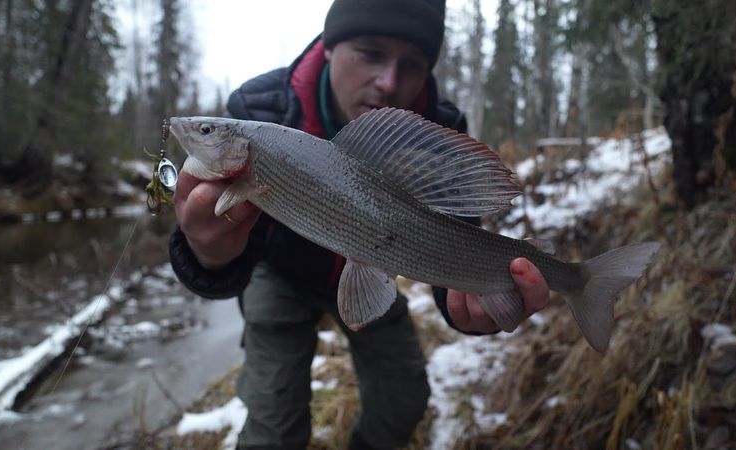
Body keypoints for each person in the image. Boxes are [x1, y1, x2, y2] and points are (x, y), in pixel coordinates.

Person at [168, 0, 550, 448]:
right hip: (280, 272)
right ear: (329, 47)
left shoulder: (439, 129)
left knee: (403, 398)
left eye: (411, 65)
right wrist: (209, 255)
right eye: (371, 53)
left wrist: (471, 307)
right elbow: (226, 258)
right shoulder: (257, 109)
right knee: (273, 424)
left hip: (376, 268)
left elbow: (453, 251)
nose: (389, 82)